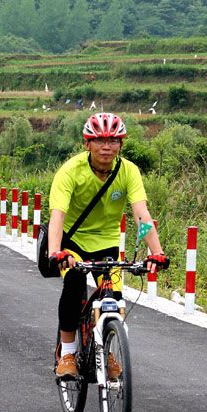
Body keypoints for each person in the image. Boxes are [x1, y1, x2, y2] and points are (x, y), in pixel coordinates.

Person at [48, 113, 169, 379]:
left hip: (107, 245)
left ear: (121, 145)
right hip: (73, 243)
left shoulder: (128, 171)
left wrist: (157, 252)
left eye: (113, 141)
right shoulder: (70, 171)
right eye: (99, 140)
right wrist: (56, 252)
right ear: (87, 144)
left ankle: (108, 349)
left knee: (113, 297)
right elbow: (58, 215)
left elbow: (141, 214)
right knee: (74, 287)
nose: (106, 147)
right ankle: (67, 353)